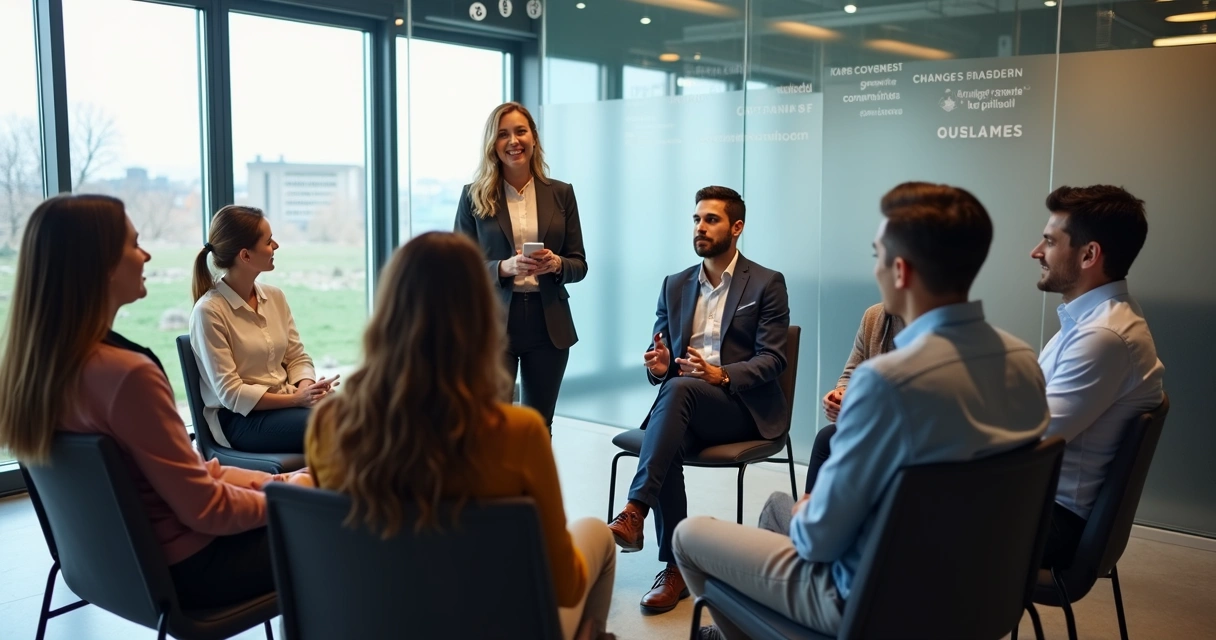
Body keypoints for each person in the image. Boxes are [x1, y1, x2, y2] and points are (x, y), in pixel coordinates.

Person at [673, 182, 1050, 639]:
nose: (875, 271)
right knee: (777, 506)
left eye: (877, 256)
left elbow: (819, 540)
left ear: (901, 270)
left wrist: (813, 509)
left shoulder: (891, 382)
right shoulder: (1024, 363)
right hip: (980, 593)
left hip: (866, 601)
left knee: (689, 536)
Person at [0, 195, 308, 609]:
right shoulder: (126, 376)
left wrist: (285, 483)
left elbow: (188, 476)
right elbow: (208, 510)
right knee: (353, 523)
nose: (145, 255)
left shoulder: (37, 372)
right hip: (194, 571)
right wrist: (302, 492)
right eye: (134, 243)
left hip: (115, 570)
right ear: (100, 265)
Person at [304, 232, 614, 640]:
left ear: (386, 311)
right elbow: (565, 586)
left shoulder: (330, 423)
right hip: (491, 625)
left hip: (376, 623)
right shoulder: (518, 434)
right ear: (480, 316)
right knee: (600, 538)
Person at [605, 186, 791, 614]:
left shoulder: (766, 283)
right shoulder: (675, 285)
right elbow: (663, 361)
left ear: (736, 227)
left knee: (676, 401)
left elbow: (774, 359)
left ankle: (635, 512)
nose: (701, 227)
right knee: (672, 414)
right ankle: (675, 569)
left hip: (739, 407)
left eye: (711, 219)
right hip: (685, 405)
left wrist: (721, 374)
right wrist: (659, 365)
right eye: (696, 219)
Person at [1031, 184, 1164, 569]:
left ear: (1089, 254)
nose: (1036, 252)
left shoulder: (1103, 336)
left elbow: (1029, 438)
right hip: (1042, 503)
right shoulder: (1092, 321)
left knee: (891, 515)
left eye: (1049, 242)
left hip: (1053, 520)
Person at [455, 101, 587, 433]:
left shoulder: (561, 193)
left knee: (538, 427)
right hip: (494, 325)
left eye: (520, 131)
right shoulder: (473, 196)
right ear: (492, 145)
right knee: (491, 425)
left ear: (533, 138)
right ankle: (494, 487)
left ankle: (534, 488)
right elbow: (459, 269)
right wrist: (504, 267)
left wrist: (557, 264)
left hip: (548, 325)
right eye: (503, 134)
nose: (513, 141)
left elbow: (579, 264)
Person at [189, 205, 336, 454]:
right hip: (239, 421)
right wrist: (297, 400)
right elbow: (231, 394)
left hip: (287, 404)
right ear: (245, 256)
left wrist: (306, 390)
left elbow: (297, 357)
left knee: (366, 411)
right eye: (268, 241)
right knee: (341, 425)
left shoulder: (275, 297)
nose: (276, 245)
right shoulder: (209, 312)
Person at [809, 303, 904, 492]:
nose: (878, 274)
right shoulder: (873, 316)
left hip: (902, 431)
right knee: (826, 437)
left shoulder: (929, 330)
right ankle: (810, 507)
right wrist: (840, 394)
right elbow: (849, 374)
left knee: (776, 505)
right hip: (873, 423)